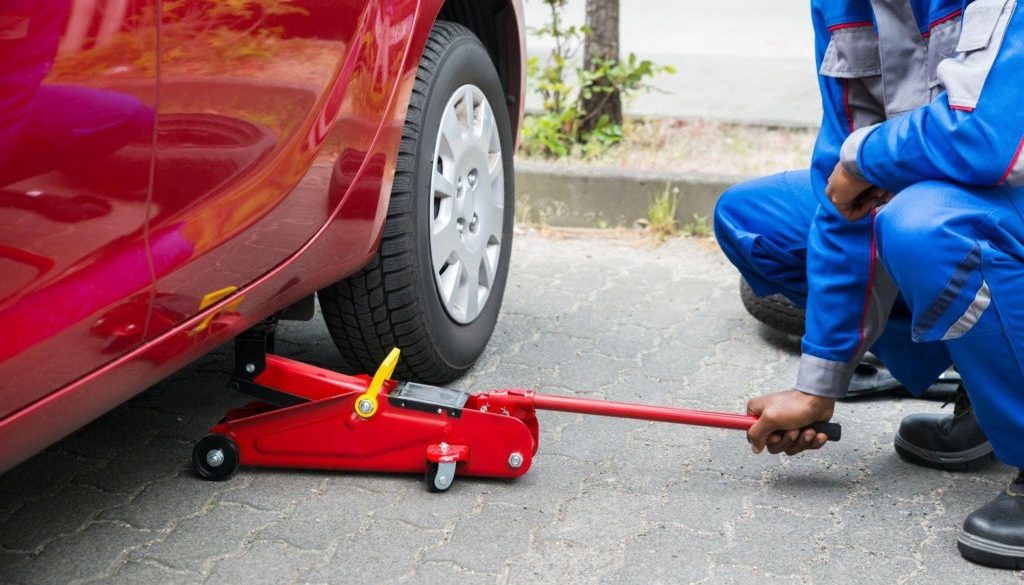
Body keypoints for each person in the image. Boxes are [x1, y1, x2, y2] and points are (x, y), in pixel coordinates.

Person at [713, 0, 1024, 570]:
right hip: (959, 187)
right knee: (753, 221)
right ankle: (990, 385)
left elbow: (987, 136)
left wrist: (870, 159)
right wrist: (818, 383)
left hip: (1004, 182)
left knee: (926, 228)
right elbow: (843, 182)